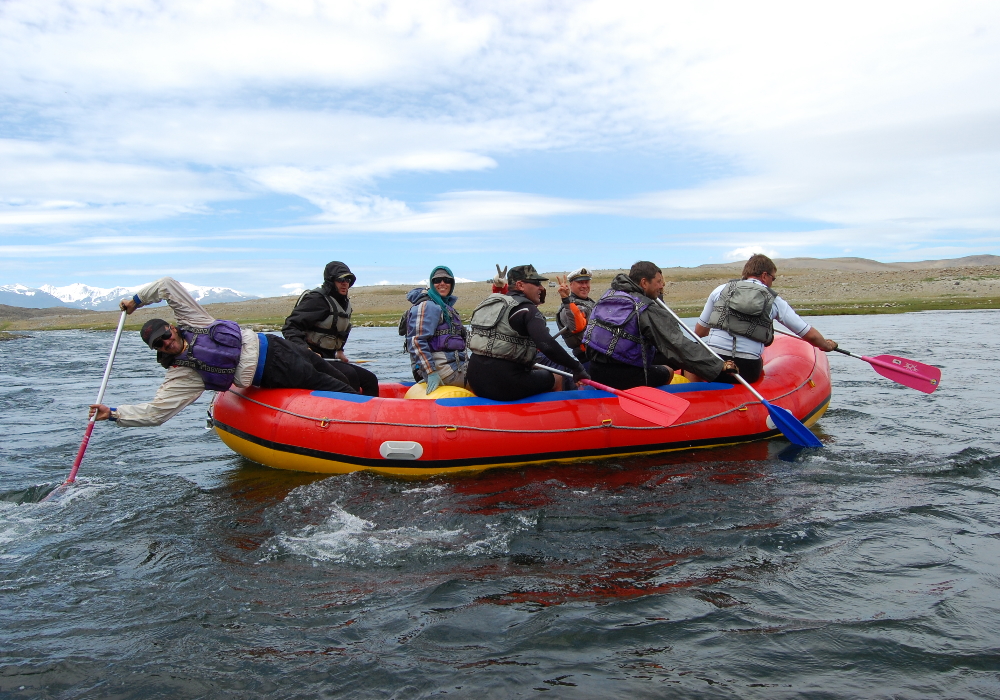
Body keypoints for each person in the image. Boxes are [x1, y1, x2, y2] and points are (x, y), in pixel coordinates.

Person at [88, 277, 357, 427]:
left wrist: (136, 301)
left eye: (165, 336)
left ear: (173, 328)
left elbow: (166, 286)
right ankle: (356, 428)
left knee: (341, 379)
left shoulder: (193, 321)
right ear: (156, 350)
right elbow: (157, 413)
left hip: (278, 345)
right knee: (337, 389)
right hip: (275, 371)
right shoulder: (184, 374)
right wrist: (113, 413)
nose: (166, 343)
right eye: (159, 345)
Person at [583, 261, 738, 390]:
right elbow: (677, 345)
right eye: (658, 282)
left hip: (595, 370)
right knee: (668, 371)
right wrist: (718, 365)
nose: (662, 286)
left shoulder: (609, 295)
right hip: (621, 377)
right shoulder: (643, 308)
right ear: (644, 282)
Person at [693, 253, 837, 383]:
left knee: (693, 355)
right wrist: (826, 345)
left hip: (714, 365)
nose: (772, 282)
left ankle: (693, 394)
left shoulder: (720, 290)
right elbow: (809, 334)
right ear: (764, 275)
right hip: (746, 371)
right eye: (772, 278)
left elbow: (700, 332)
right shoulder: (775, 301)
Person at [467, 264, 590, 401]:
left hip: (475, 380)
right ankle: (558, 414)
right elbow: (546, 345)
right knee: (558, 378)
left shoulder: (492, 303)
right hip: (503, 385)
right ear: (520, 285)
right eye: (536, 283)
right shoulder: (527, 309)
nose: (541, 288)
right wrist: (577, 368)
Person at [281, 261, 379, 396]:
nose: (345, 283)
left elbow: (339, 331)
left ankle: (369, 415)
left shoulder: (343, 302)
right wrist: (306, 350)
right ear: (331, 281)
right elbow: (290, 327)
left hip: (329, 358)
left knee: (370, 379)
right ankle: (350, 413)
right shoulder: (317, 300)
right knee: (349, 376)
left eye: (348, 280)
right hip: (309, 360)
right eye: (341, 280)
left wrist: (340, 351)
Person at [402, 265, 469, 393]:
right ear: (432, 284)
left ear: (452, 283)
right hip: (443, 370)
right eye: (437, 280)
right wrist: (431, 372)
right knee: (489, 379)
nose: (442, 283)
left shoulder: (445, 306)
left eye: (447, 280)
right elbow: (416, 341)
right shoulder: (429, 306)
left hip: (455, 367)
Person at [555, 267, 597, 364]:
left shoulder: (590, 303)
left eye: (586, 282)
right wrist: (565, 299)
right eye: (580, 283)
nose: (584, 286)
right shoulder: (568, 308)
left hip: (600, 355)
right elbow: (577, 326)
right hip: (588, 358)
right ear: (571, 285)